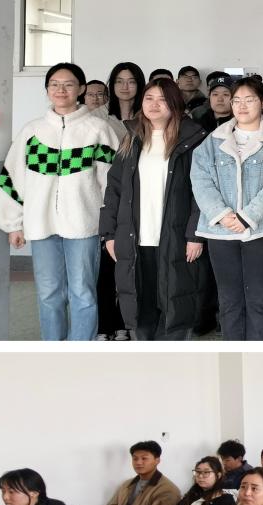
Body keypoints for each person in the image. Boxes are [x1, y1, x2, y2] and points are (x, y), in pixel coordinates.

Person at [0, 62, 121, 342]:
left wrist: (110, 226)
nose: (61, 90)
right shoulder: (32, 132)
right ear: (47, 89)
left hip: (84, 227)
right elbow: (12, 177)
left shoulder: (98, 130)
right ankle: (53, 349)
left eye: (68, 84)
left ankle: (79, 350)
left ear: (81, 88)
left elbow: (112, 184)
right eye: (54, 84)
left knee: (83, 293)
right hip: (41, 227)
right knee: (48, 293)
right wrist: (13, 224)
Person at [98, 77, 208, 341]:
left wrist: (195, 235)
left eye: (162, 99)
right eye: (149, 98)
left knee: (175, 307)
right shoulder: (132, 139)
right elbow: (114, 190)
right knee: (141, 308)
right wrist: (109, 235)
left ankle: (173, 361)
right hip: (137, 239)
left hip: (177, 238)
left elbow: (202, 193)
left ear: (175, 104)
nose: (154, 104)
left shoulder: (193, 140)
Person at [190, 77, 263, 341]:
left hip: (262, 229)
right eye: (236, 100)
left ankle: (259, 356)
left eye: (249, 100)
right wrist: (222, 214)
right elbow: (200, 180)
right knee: (229, 299)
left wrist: (248, 216)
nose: (242, 106)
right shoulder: (212, 140)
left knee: (259, 298)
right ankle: (234, 355)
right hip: (221, 231)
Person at [103, 440, 181, 505]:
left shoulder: (168, 489)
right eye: (135, 458)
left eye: (144, 458)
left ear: (157, 461)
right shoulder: (127, 484)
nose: (138, 462)